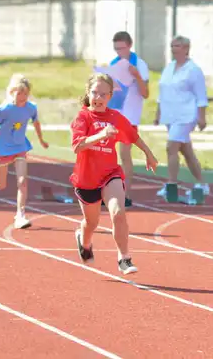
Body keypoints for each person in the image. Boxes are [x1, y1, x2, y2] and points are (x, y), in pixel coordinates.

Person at [70, 73, 158, 275]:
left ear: (110, 96)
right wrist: (101, 135)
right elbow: (77, 146)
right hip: (87, 179)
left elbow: (133, 136)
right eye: (94, 93)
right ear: (88, 93)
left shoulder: (115, 117)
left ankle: (124, 258)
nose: (98, 98)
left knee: (118, 212)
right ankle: (83, 240)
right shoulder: (83, 117)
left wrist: (149, 154)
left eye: (103, 94)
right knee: (91, 223)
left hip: (110, 174)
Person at [0, 74, 48, 230]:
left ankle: (20, 215)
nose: (23, 97)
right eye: (19, 93)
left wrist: (41, 140)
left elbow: (37, 123)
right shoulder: (4, 109)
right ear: (12, 92)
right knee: (0, 186)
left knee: (22, 181)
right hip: (3, 147)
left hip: (20, 146)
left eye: (25, 93)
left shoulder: (31, 108)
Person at [154, 35, 210, 199]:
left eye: (177, 46)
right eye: (172, 46)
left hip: (186, 115)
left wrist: (202, 117)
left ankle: (171, 184)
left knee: (171, 147)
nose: (174, 49)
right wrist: (158, 113)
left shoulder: (193, 70)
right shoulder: (169, 68)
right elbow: (162, 92)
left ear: (186, 48)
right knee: (186, 151)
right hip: (170, 114)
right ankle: (202, 183)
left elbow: (201, 96)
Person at [107, 31, 149, 207]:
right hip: (113, 113)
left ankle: (125, 194)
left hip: (129, 116)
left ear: (130, 45)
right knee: (108, 154)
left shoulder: (139, 64)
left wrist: (137, 76)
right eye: (116, 49)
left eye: (122, 48)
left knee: (124, 154)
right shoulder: (114, 64)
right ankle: (109, 193)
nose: (119, 52)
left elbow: (145, 94)